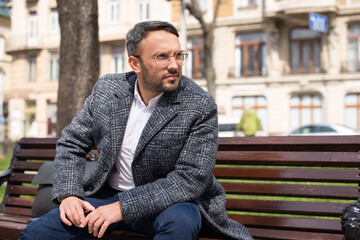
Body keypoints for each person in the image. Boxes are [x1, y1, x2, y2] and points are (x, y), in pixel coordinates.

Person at [19, 21, 252, 240]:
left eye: (179, 55)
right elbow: (71, 144)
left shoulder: (199, 104)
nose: (174, 65)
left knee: (183, 220)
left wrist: (123, 207)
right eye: (162, 56)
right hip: (106, 197)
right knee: (36, 233)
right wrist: (68, 195)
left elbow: (190, 179)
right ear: (135, 63)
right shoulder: (108, 90)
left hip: (167, 204)